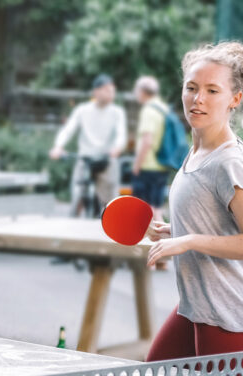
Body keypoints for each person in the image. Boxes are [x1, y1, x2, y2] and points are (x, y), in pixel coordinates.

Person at [145, 41, 243, 361]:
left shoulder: (228, 162)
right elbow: (216, 221)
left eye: (213, 90)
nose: (198, 99)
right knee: (154, 367)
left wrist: (187, 240)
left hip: (226, 314)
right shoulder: (198, 148)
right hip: (194, 306)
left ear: (235, 99)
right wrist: (174, 231)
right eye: (192, 87)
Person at [49, 74, 128, 217]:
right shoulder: (82, 110)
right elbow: (68, 129)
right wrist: (58, 146)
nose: (111, 93)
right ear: (96, 91)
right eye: (106, 90)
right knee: (77, 196)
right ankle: (73, 227)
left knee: (112, 202)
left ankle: (113, 232)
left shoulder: (117, 112)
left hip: (106, 159)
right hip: (85, 159)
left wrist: (117, 147)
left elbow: (121, 134)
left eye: (112, 90)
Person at [131, 76, 171, 221]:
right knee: (157, 207)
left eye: (136, 90)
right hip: (162, 163)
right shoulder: (163, 108)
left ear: (143, 91)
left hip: (147, 165)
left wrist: (137, 164)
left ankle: (145, 239)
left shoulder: (148, 110)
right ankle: (161, 240)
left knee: (143, 209)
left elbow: (147, 141)